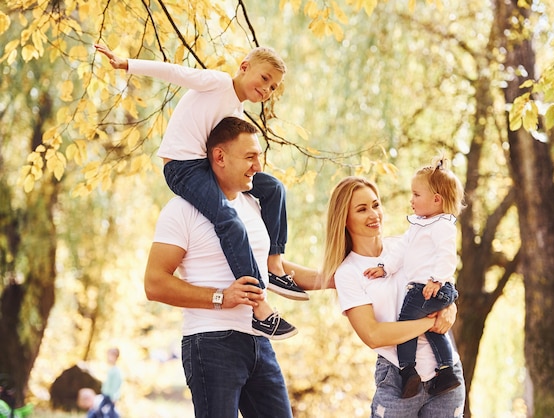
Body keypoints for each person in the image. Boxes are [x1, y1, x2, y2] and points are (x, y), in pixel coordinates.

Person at [95, 43, 308, 339]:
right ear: (244, 66)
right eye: (264, 79)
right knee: (228, 221)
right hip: (183, 168)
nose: (267, 89)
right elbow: (175, 72)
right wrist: (127, 63)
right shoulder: (219, 83)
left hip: (207, 167)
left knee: (273, 188)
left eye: (273, 87)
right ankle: (260, 308)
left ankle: (273, 264)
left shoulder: (237, 111)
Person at [143, 117, 321, 417]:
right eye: (250, 157)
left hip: (258, 341)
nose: (258, 166)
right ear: (220, 157)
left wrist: (333, 278)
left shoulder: (253, 205)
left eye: (259, 156)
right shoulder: (181, 210)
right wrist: (220, 297)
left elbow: (271, 269)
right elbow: (154, 283)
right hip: (211, 342)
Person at [322, 176, 465, 416]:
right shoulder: (348, 273)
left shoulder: (406, 245)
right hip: (399, 377)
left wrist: (450, 307)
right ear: (344, 219)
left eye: (376, 205)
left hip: (446, 373)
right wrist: (431, 321)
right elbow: (374, 335)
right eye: (362, 209)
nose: (373, 214)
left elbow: (443, 280)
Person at [363, 156, 465, 398]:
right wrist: (385, 268)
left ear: (436, 200)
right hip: (427, 287)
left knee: (406, 325)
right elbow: (400, 250)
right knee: (431, 329)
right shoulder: (418, 225)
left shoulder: (443, 226)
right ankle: (446, 370)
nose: (411, 200)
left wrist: (436, 279)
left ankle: (408, 370)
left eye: (417, 195)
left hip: (431, 287)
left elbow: (448, 256)